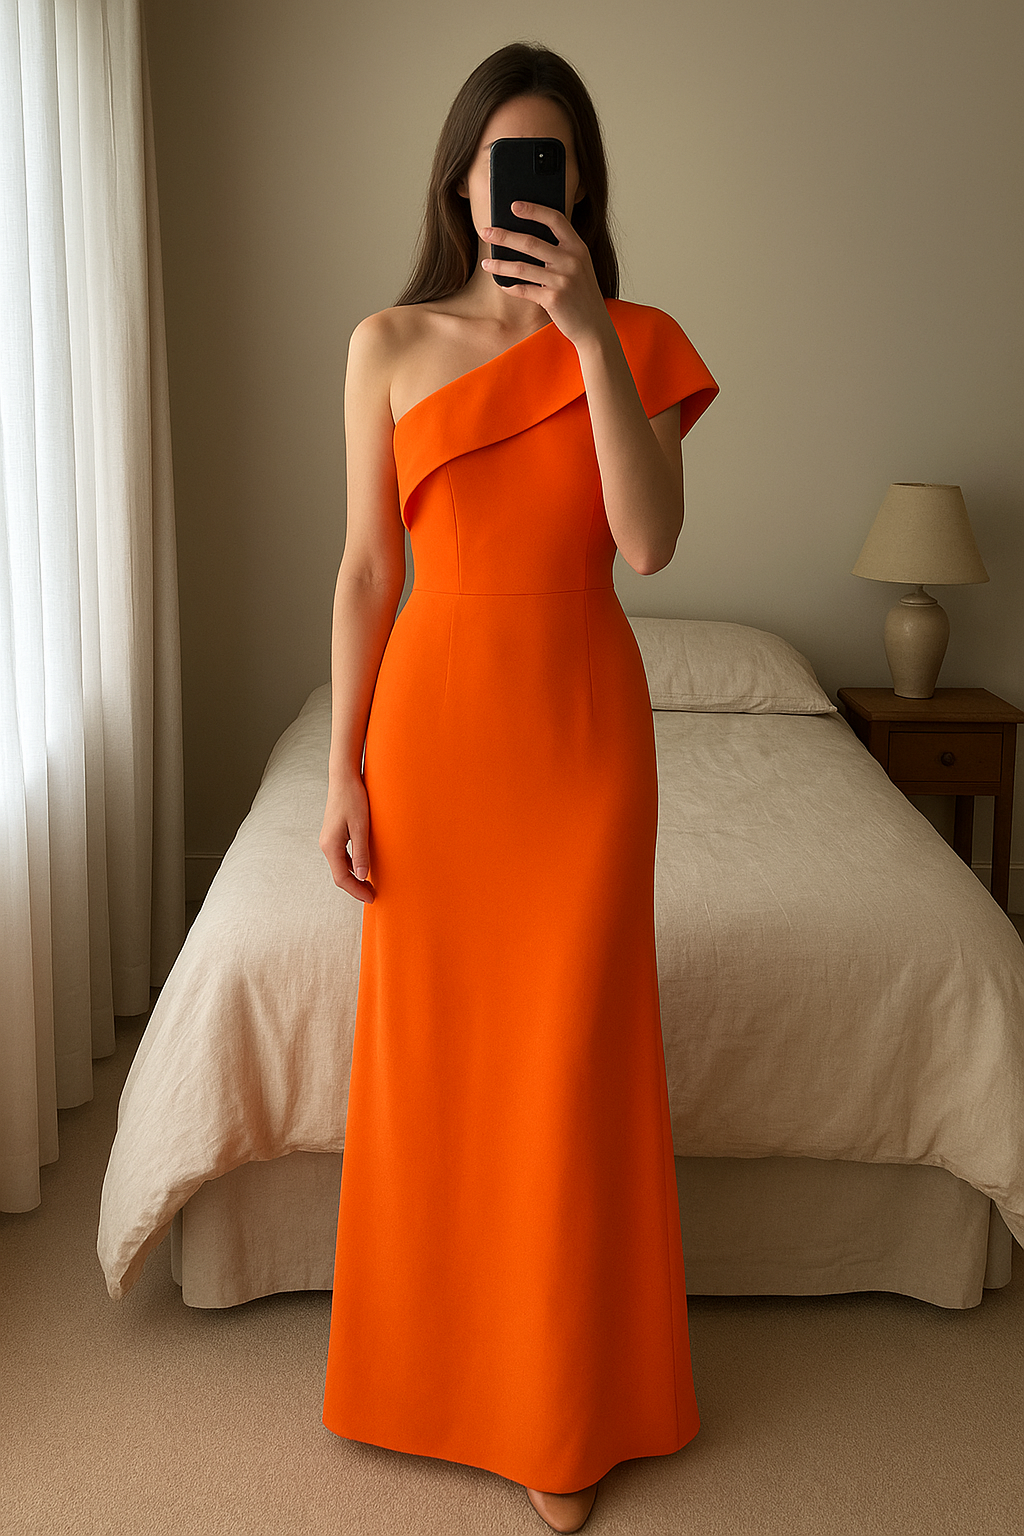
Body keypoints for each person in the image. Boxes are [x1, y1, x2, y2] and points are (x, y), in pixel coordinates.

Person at [318, 41, 718, 1535]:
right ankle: (426, 1378)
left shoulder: (641, 336)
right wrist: (343, 768)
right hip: (434, 738)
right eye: (508, 159)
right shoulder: (387, 342)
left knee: (568, 1065)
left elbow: (652, 542)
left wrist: (593, 341)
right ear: (463, 177)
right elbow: (367, 573)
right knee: (439, 1067)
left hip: (583, 742)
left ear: (583, 191)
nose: (530, 184)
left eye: (558, 164)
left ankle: (561, 1413)